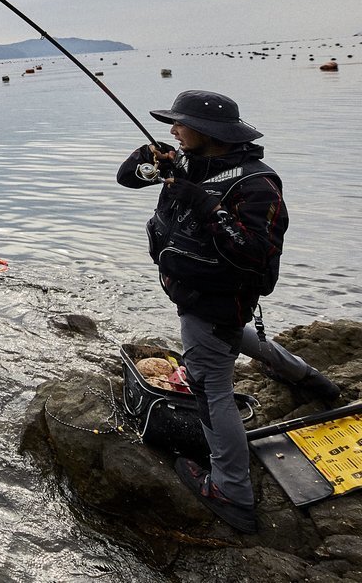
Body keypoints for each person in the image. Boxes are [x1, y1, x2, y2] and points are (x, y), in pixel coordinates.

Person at [116, 89, 339, 534]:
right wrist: (148, 157)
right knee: (226, 337)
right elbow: (127, 179)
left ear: (208, 132)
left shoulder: (256, 183)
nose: (173, 131)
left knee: (209, 386)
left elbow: (255, 252)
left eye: (179, 125)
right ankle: (309, 379)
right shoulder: (188, 162)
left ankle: (232, 494)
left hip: (217, 298)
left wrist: (204, 203)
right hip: (195, 294)